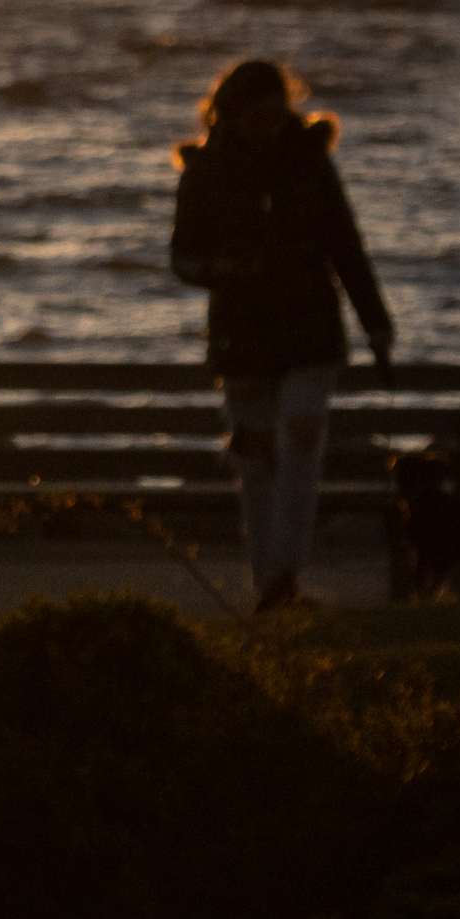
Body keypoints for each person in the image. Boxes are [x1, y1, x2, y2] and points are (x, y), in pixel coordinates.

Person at [169, 56, 395, 614]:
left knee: (299, 444)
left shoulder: (310, 164)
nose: (269, 128)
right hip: (242, 339)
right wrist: (219, 268)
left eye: (276, 116)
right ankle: (270, 578)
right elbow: (183, 256)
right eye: (257, 118)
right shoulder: (206, 172)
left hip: (310, 330)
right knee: (255, 460)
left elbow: (346, 245)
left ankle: (284, 576)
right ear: (229, 116)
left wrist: (376, 321)